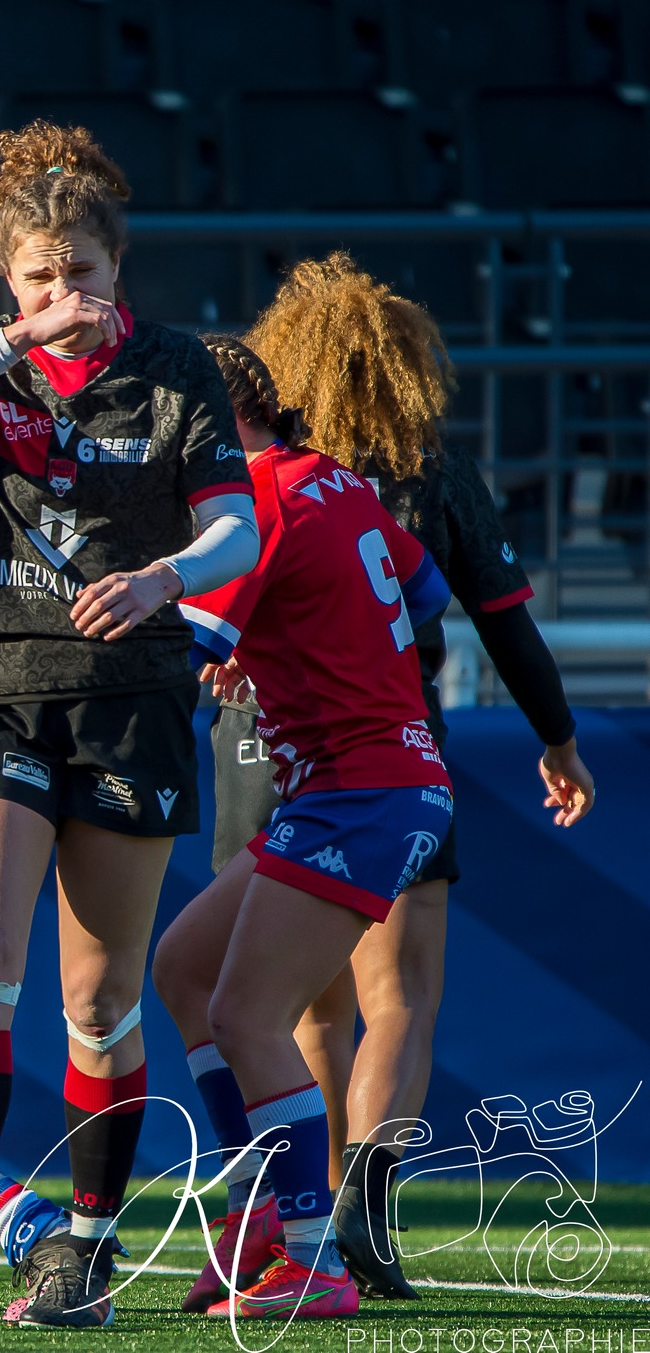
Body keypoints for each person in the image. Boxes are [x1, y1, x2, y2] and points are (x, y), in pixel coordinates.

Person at [0, 121, 258, 1326]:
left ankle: (85, 1248)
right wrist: (13, 338)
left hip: (132, 695)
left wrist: (163, 578)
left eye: (79, 272)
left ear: (114, 265)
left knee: (96, 1000)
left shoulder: (175, 366)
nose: (61, 295)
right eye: (36, 276)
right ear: (6, 276)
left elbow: (236, 528)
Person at [209, 256, 595, 1297]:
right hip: (387, 746)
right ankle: (358, 1202)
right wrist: (557, 740)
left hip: (258, 740)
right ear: (405, 367)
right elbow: (500, 622)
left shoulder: (255, 476)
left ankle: (293, 1206)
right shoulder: (423, 469)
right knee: (402, 997)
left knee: (293, 1006)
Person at [150, 333, 456, 1320]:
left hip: (359, 789)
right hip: (361, 781)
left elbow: (183, 652)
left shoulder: (255, 495)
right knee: (184, 970)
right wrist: (302, 634)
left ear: (208, 417)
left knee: (245, 1015)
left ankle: (313, 1258)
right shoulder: (333, 480)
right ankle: (258, 1214)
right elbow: (424, 594)